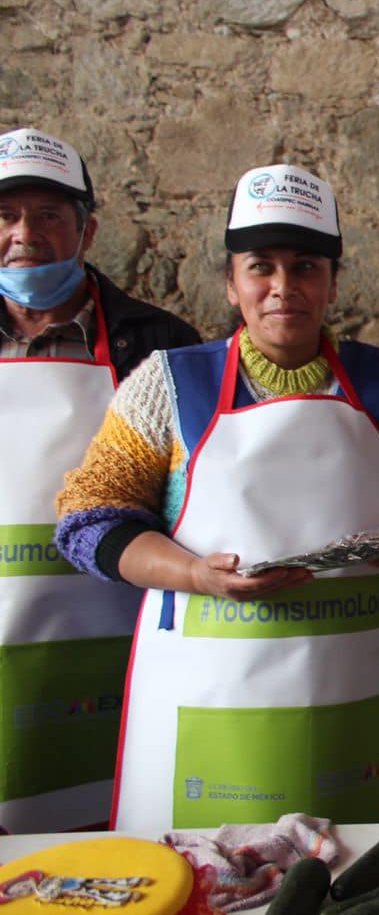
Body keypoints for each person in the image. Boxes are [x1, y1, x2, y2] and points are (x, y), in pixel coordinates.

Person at [55, 164, 379, 830]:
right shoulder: (169, 385)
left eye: (305, 267)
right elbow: (90, 520)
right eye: (261, 267)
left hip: (356, 688)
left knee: (358, 865)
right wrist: (194, 574)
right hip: (206, 696)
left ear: (332, 282)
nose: (283, 288)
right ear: (231, 282)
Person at [0, 128, 198, 833]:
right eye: (6, 216)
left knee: (113, 829)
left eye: (48, 215)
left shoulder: (162, 343)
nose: (25, 234)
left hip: (117, 634)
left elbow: (193, 495)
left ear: (86, 230)